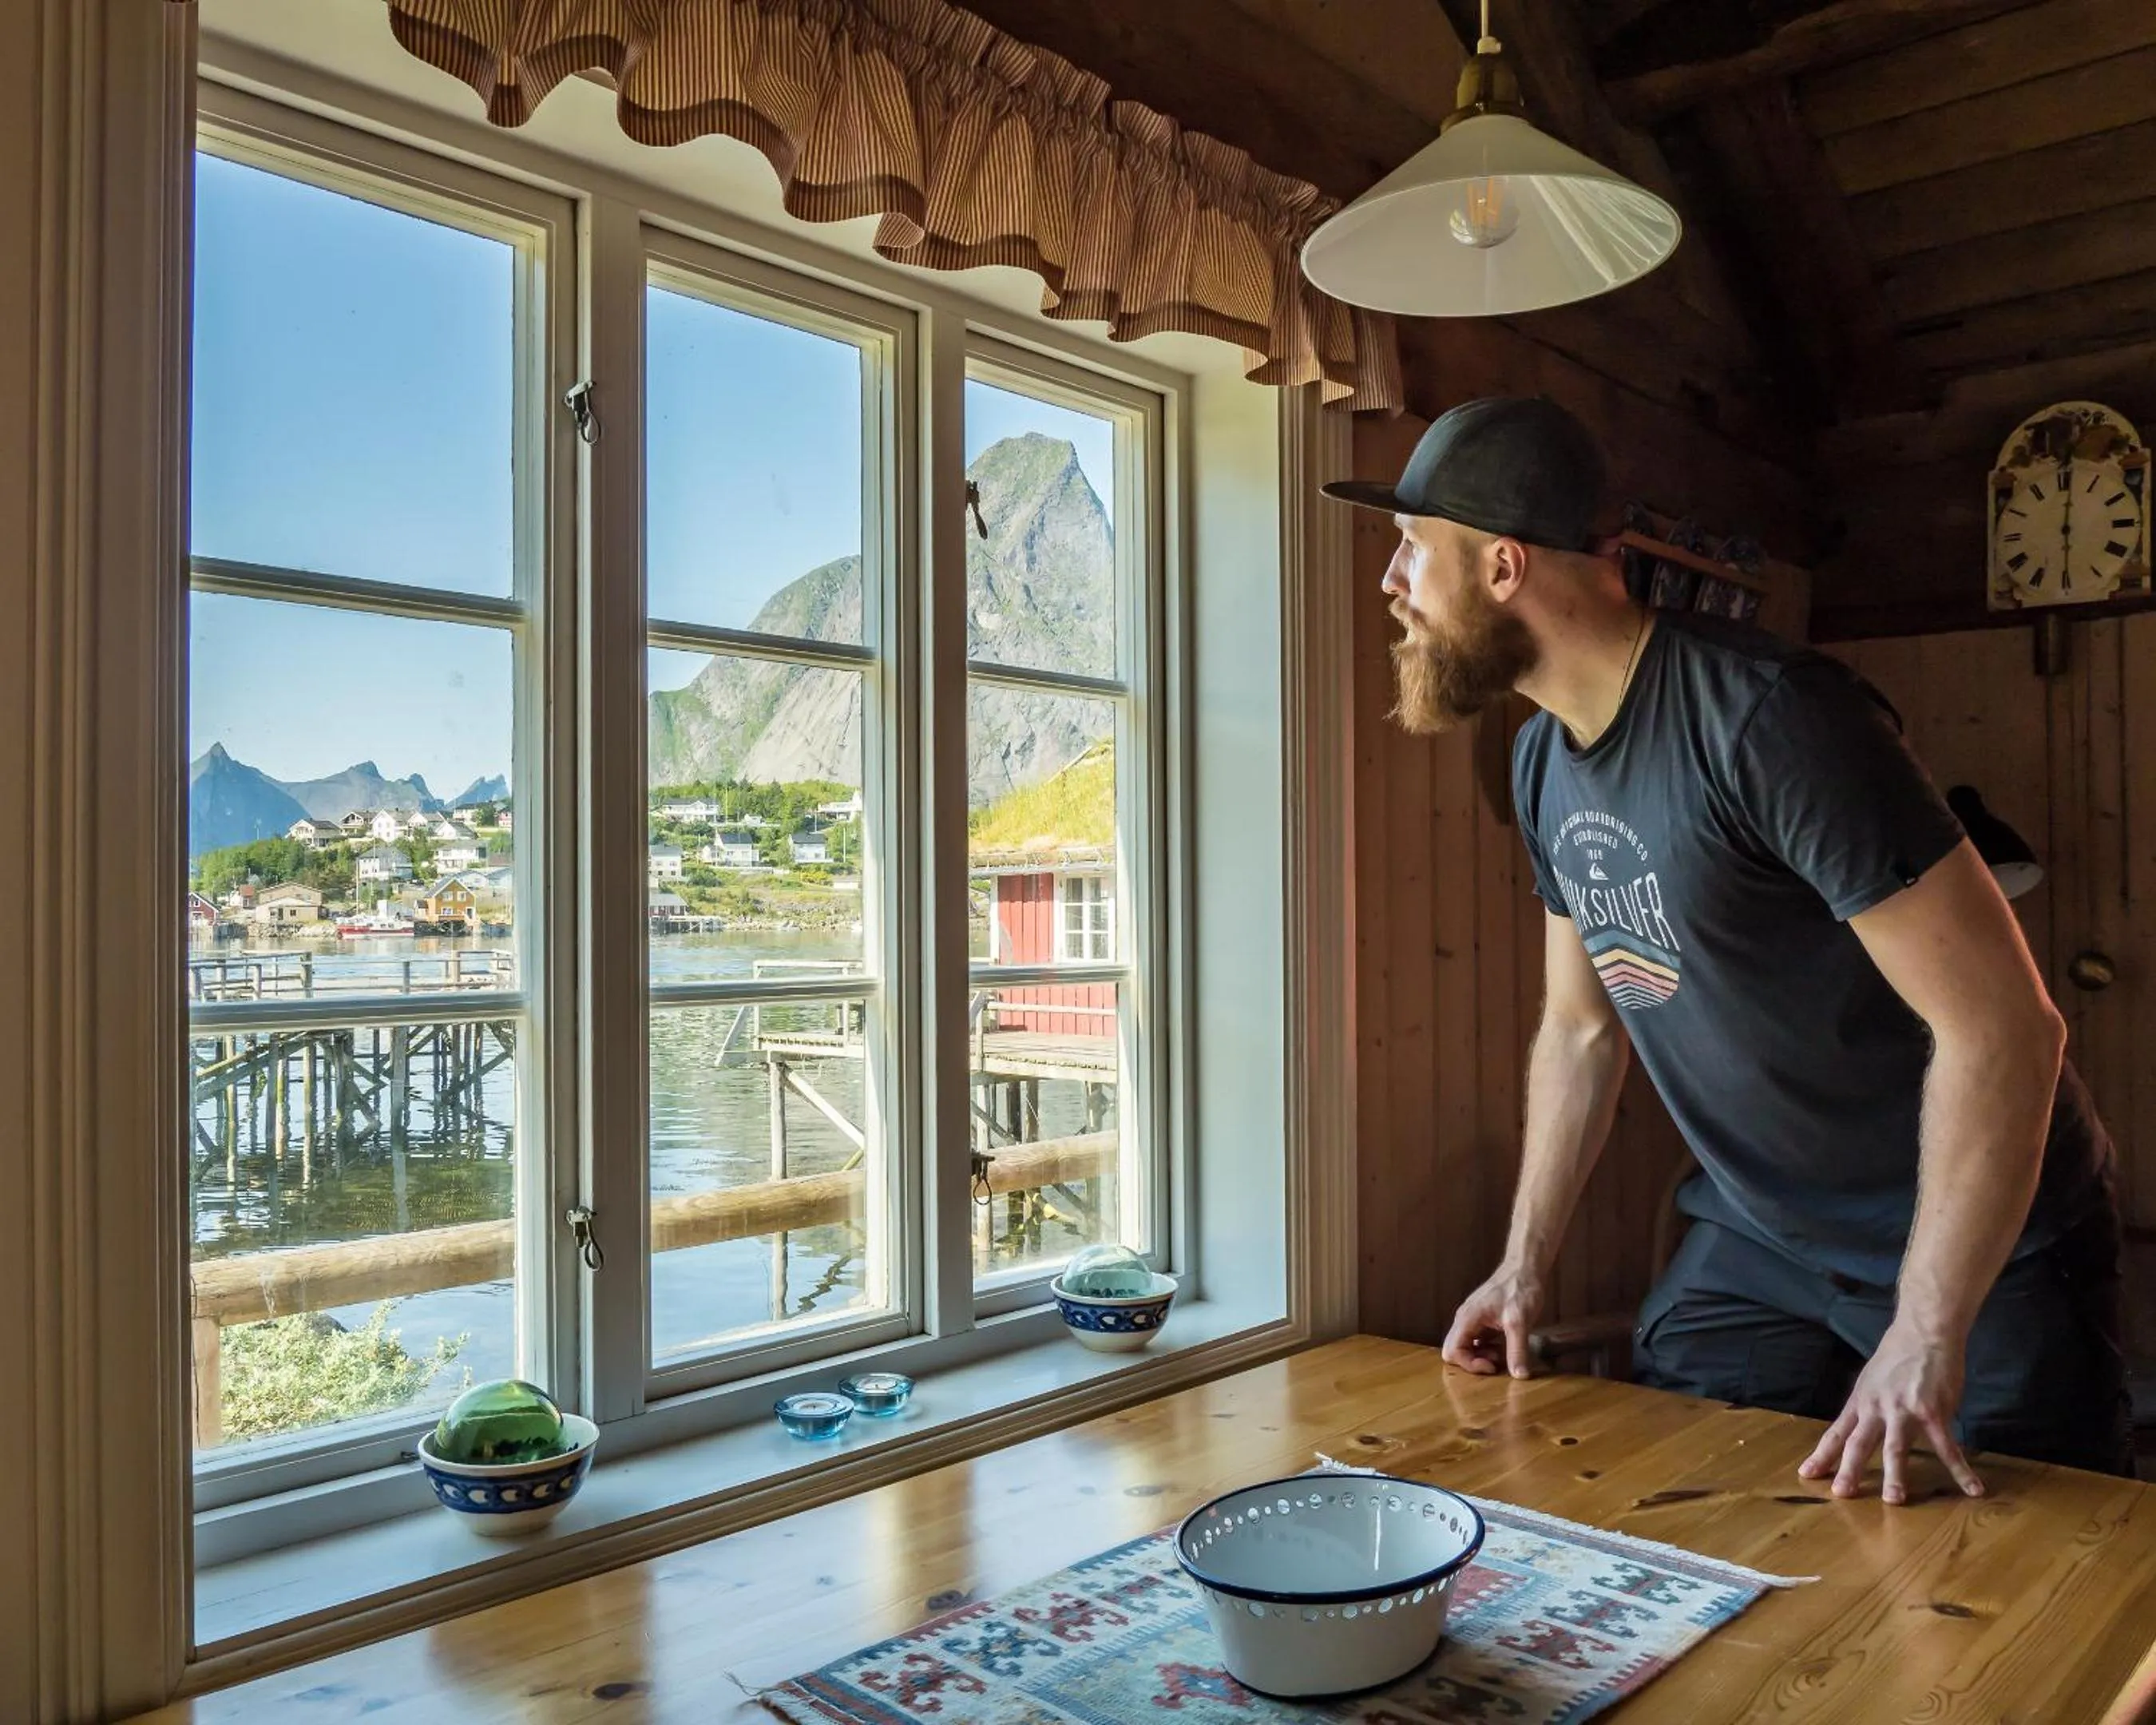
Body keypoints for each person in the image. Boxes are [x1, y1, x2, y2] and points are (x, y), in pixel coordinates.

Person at [1324, 396, 2130, 1503]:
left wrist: (1926, 1328)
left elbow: (2005, 1028)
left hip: (1978, 1239)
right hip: (1760, 1237)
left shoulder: (1773, 720)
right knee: (1685, 1496)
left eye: (1414, 549)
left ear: (1503, 566)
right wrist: (1524, 1266)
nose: (1393, 583)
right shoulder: (1542, 764)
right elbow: (1580, 1027)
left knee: (2027, 1585)